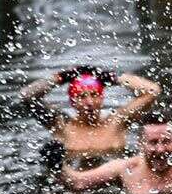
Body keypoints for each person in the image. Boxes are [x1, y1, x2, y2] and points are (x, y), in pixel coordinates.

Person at [20, 65, 162, 165]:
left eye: (94, 95)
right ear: (73, 102)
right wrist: (60, 78)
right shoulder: (61, 125)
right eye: (81, 96)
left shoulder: (117, 122)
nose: (89, 102)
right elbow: (26, 96)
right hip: (73, 182)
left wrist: (115, 78)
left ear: (102, 98)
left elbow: (153, 91)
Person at [61, 111, 172, 194]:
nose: (160, 150)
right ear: (140, 143)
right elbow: (77, 182)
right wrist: (56, 164)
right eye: (153, 142)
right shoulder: (125, 169)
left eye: (167, 141)